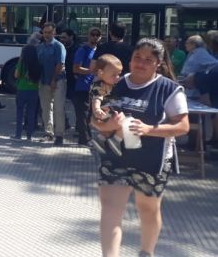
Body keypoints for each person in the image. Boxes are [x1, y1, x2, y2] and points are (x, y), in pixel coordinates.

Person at [93, 38, 189, 257]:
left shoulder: (170, 89)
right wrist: (109, 124)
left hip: (151, 159)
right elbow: (94, 119)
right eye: (137, 57)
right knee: (110, 207)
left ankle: (146, 252)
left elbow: (182, 126)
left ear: (159, 63)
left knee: (147, 208)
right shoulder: (115, 82)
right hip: (115, 155)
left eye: (148, 60)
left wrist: (148, 129)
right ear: (131, 58)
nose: (141, 63)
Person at [88, 54, 125, 157]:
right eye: (114, 75)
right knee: (125, 122)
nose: (117, 77)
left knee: (108, 130)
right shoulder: (99, 85)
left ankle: (101, 140)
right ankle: (115, 140)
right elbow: (97, 98)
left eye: (119, 74)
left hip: (108, 111)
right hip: (104, 112)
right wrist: (96, 109)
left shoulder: (110, 82)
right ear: (101, 73)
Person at [37, 22, 67, 145]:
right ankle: (48, 133)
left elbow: (60, 64)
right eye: (45, 32)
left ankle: (59, 135)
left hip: (58, 81)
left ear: (54, 33)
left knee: (58, 109)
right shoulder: (40, 47)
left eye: (49, 32)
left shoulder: (59, 46)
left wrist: (54, 80)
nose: (47, 35)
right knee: (46, 108)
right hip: (43, 82)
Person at [72, 27, 102, 145]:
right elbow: (76, 68)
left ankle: (84, 137)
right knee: (83, 114)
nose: (95, 36)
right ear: (88, 36)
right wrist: (91, 71)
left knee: (90, 114)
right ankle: (85, 139)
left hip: (94, 87)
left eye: (97, 34)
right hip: (82, 87)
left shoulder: (99, 50)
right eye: (92, 34)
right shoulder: (83, 50)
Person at [14, 37, 42, 140]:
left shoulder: (22, 63)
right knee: (31, 113)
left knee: (20, 112)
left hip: (22, 89)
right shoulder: (38, 63)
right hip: (34, 90)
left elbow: (16, 75)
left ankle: (18, 135)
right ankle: (29, 136)